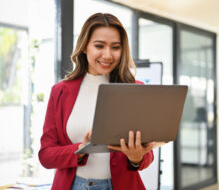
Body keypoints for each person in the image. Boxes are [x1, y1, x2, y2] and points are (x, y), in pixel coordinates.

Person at [39, 13, 155, 190]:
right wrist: (81, 149)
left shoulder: (136, 90)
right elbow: (46, 155)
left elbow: (148, 156)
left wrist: (136, 157)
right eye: (99, 46)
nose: (107, 55)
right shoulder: (60, 91)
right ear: (85, 46)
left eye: (115, 47)